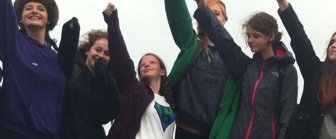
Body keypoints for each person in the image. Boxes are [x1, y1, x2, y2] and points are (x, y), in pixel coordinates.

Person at [194, 0, 298, 138]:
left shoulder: (286, 71)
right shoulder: (247, 67)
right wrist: (203, 8)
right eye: (248, 35)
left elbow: (287, 117)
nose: (250, 40)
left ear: (271, 37)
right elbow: (223, 40)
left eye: (256, 36)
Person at [276, 0, 336, 139]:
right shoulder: (315, 71)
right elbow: (299, 38)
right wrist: (284, 5)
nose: (333, 45)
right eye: (332, 42)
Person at [0, 0, 79, 138]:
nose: (34, 11)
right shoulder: (14, 45)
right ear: (19, 18)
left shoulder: (57, 58)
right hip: (15, 133)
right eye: (28, 8)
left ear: (49, 19)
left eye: (41, 9)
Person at [164, 0, 240, 138]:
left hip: (212, 134)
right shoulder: (191, 44)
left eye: (216, 14)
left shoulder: (233, 58)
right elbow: (177, 14)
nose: (211, 16)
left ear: (224, 19)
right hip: (183, 131)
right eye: (208, 12)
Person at [103, 4, 176, 139]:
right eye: (142, 64)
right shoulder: (135, 91)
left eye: (152, 62)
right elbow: (121, 59)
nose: (146, 65)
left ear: (162, 71)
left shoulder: (170, 102)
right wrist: (112, 22)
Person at [60, 30, 121, 139]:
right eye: (98, 50)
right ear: (88, 50)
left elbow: (104, 115)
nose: (101, 55)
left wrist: (102, 74)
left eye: (107, 54)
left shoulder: (111, 83)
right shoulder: (73, 70)